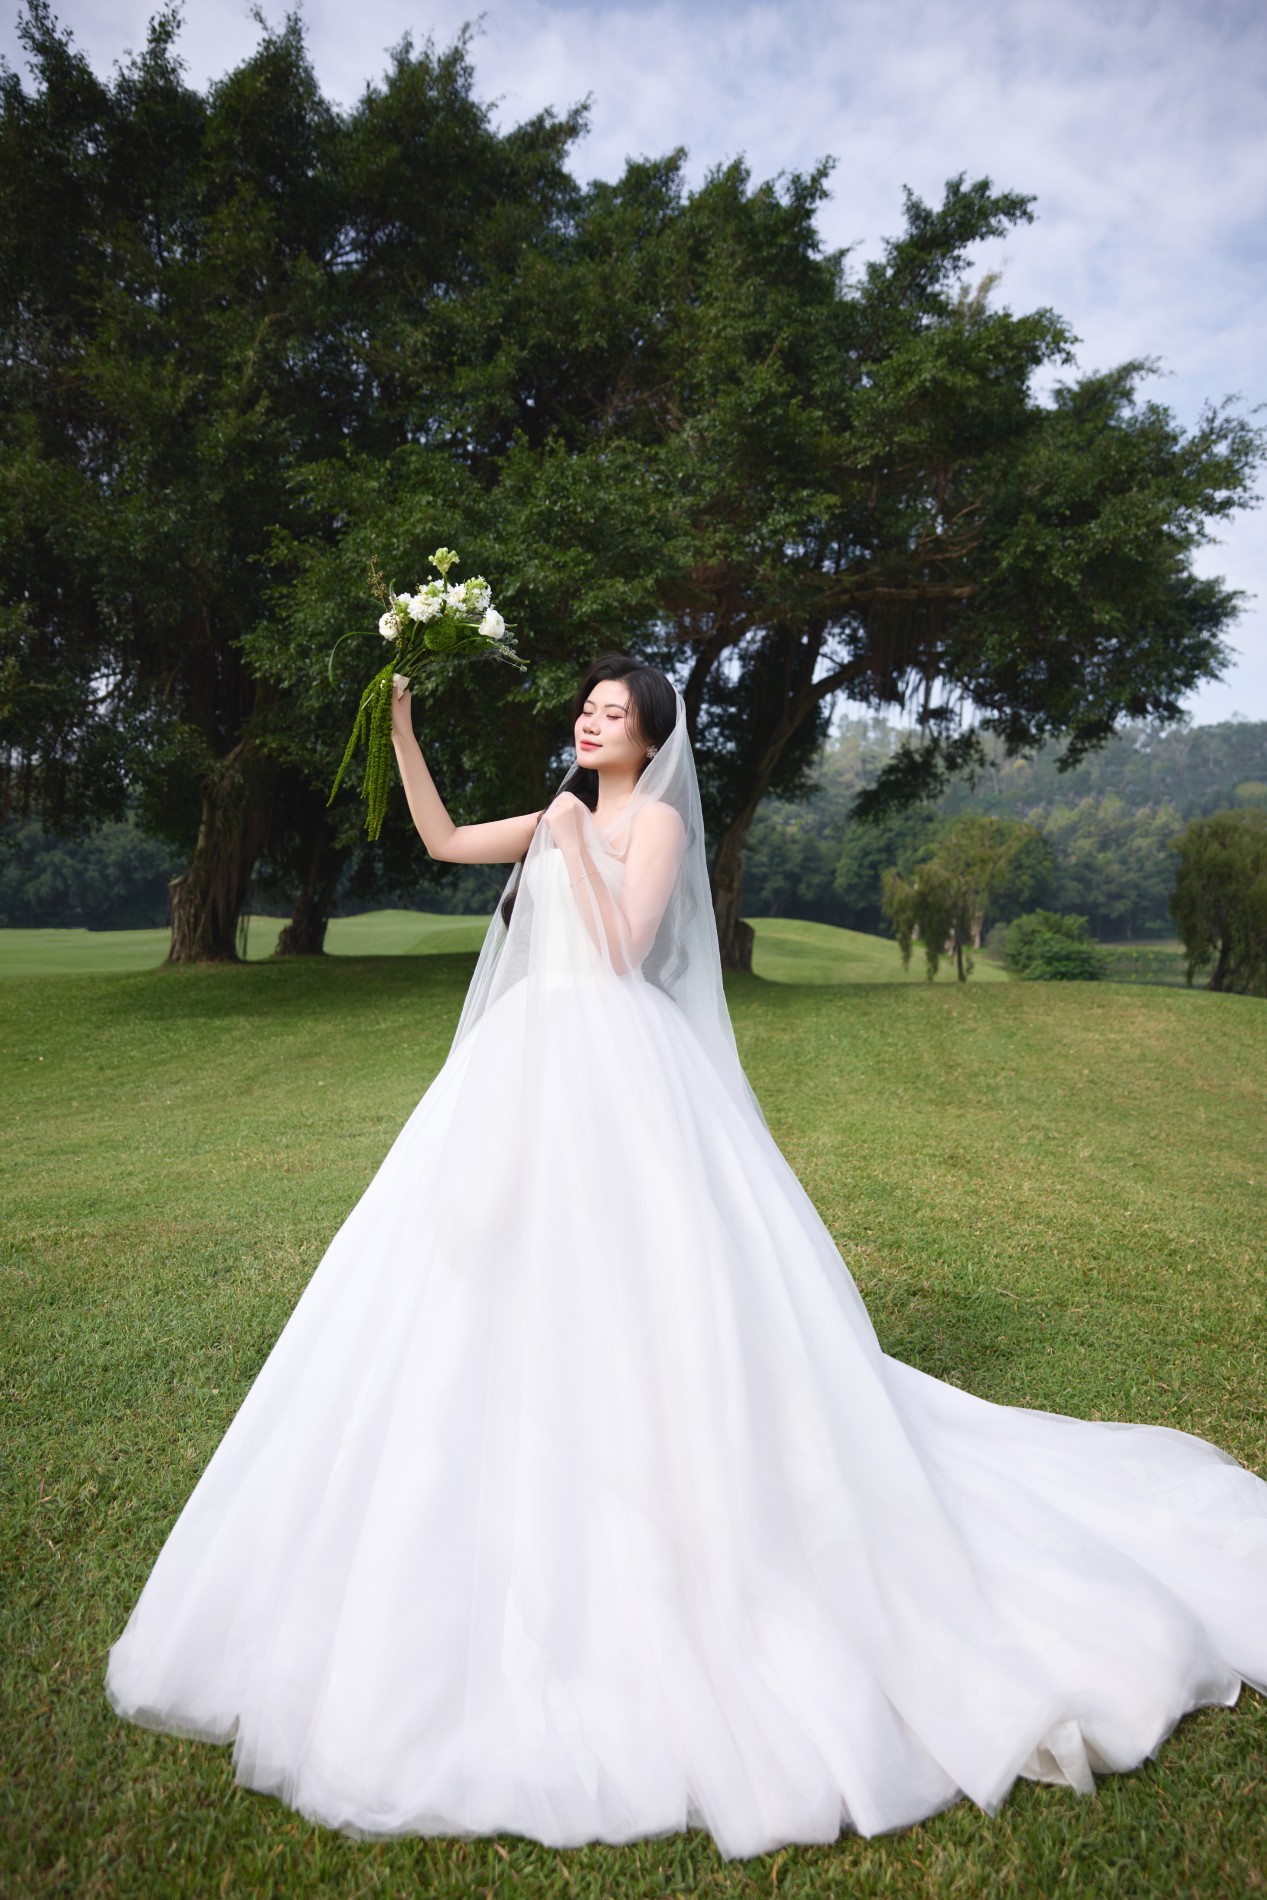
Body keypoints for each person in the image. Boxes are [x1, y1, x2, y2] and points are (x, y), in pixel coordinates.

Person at [106, 654, 1267, 1862]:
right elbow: (444, 840)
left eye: (612, 712)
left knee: (637, 1286)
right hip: (518, 1069)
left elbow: (622, 950)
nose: (589, 720)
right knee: (468, 1276)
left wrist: (571, 842)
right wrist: (398, 726)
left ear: (650, 737)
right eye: (585, 707)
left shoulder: (647, 823)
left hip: (617, 1067)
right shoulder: (559, 809)